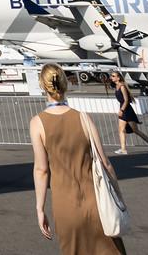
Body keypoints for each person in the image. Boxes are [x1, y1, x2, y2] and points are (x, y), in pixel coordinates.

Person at [28, 63, 124, 255]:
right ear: (65, 84)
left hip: (65, 204)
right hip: (96, 200)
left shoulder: (37, 123)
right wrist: (118, 196)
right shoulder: (83, 117)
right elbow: (105, 163)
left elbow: (41, 170)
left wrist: (39, 208)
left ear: (42, 86)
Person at [108, 71, 148, 156]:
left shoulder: (122, 87)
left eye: (113, 76)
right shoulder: (116, 86)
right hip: (123, 109)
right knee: (121, 130)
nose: (112, 77)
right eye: (111, 76)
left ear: (118, 78)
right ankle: (123, 149)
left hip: (127, 110)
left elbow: (126, 100)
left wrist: (121, 110)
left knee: (136, 130)